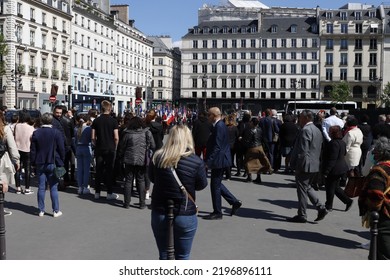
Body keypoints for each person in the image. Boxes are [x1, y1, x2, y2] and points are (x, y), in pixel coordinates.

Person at [149, 124, 207, 259]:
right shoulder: (196, 161)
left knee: (163, 254)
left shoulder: (158, 157)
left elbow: (152, 178)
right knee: (183, 256)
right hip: (184, 210)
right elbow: (201, 185)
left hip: (160, 209)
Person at [288, 110, 328, 223]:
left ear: (306, 118)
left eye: (300, 117)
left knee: (302, 190)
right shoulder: (317, 130)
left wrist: (297, 165)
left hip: (305, 164)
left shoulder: (305, 130)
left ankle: (302, 214)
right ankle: (320, 207)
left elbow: (303, 151)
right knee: (307, 187)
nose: (299, 119)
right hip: (314, 164)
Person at [203, 107, 242, 220]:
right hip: (221, 158)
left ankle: (217, 212)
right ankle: (234, 202)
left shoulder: (220, 126)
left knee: (215, 186)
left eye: (208, 115)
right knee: (217, 184)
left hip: (219, 159)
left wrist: (208, 162)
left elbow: (217, 146)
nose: (207, 117)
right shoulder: (219, 124)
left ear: (214, 115)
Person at [358, 136, 390, 259]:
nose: (373, 153)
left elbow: (375, 194)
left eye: (375, 151)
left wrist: (373, 209)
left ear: (380, 153)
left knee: (383, 252)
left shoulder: (379, 170)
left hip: (385, 215)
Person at [30, 113, 65, 217]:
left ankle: (41, 210)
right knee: (53, 187)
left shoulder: (36, 133)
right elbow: (61, 148)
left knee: (41, 187)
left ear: (41, 121)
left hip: (40, 162)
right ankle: (55, 210)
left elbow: (33, 150)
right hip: (52, 161)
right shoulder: (56, 132)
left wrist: (33, 163)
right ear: (51, 121)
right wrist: (61, 160)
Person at [117, 116, 155, 209]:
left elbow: (121, 147)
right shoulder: (147, 132)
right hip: (142, 159)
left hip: (129, 159)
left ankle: (126, 203)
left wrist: (120, 157)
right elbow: (153, 145)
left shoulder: (127, 133)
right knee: (141, 180)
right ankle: (142, 203)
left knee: (128, 180)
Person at [91, 100, 120, 200]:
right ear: (110, 108)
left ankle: (97, 192)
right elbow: (116, 137)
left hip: (99, 148)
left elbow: (93, 137)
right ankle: (109, 193)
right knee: (109, 170)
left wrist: (96, 144)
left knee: (98, 170)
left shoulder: (96, 121)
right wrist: (115, 146)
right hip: (110, 148)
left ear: (101, 108)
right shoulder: (113, 121)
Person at [322, 125, 353, 212]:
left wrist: (326, 171)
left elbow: (332, 159)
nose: (328, 133)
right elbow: (344, 154)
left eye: (330, 132)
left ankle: (329, 205)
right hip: (341, 168)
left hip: (334, 169)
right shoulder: (342, 142)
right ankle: (348, 201)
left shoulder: (333, 143)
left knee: (330, 187)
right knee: (335, 187)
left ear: (333, 133)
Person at [0, 110, 20, 216]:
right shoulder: (5, 128)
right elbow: (12, 147)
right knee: (2, 184)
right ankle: (0, 209)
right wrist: (16, 160)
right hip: (2, 159)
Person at [242, 117, 272, 183]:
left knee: (248, 162)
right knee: (259, 162)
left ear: (252, 122)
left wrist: (242, 142)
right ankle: (258, 177)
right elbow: (263, 138)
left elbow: (247, 140)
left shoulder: (249, 130)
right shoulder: (260, 129)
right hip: (259, 147)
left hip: (251, 147)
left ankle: (249, 177)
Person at [13, 110, 35, 195]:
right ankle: (27, 188)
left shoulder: (17, 126)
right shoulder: (30, 127)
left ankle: (18, 188)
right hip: (27, 149)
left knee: (17, 168)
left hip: (17, 149)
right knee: (27, 169)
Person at [74, 114, 92, 195]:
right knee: (86, 169)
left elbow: (74, 140)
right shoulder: (89, 129)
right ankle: (85, 187)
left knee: (79, 169)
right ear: (87, 120)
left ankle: (79, 187)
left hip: (78, 148)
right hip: (86, 148)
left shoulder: (76, 128)